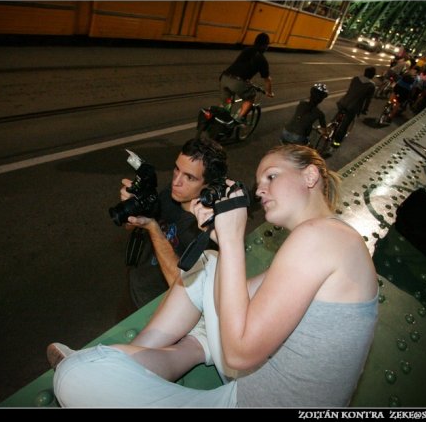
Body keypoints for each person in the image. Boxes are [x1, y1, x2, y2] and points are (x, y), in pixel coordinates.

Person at [48, 144, 379, 407]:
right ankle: (142, 355)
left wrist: (233, 241)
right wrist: (220, 238)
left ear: (309, 177)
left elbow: (240, 352)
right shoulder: (331, 236)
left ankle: (118, 363)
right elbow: (240, 295)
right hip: (253, 389)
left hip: (250, 398)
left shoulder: (318, 238)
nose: (260, 189)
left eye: (272, 177)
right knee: (208, 265)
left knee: (75, 376)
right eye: (259, 181)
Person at [121, 137, 228, 309]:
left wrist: (152, 227)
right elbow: (130, 227)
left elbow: (185, 289)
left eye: (189, 177)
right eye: (177, 169)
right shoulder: (171, 194)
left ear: (209, 185)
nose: (176, 181)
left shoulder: (208, 231)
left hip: (160, 306)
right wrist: (134, 207)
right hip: (135, 286)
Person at [220, 32, 275, 125]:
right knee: (250, 98)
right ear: (265, 46)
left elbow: (241, 66)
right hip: (237, 82)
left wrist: (246, 79)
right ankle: (239, 118)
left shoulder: (247, 50)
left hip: (224, 77)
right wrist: (269, 93)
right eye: (267, 45)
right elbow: (267, 80)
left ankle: (220, 120)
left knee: (226, 104)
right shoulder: (262, 59)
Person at [331, 66, 376, 149]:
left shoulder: (355, 78)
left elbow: (351, 90)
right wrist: (365, 109)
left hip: (343, 102)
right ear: (372, 75)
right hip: (353, 107)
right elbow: (368, 100)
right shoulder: (371, 86)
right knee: (344, 125)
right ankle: (336, 143)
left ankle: (331, 126)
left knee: (339, 114)